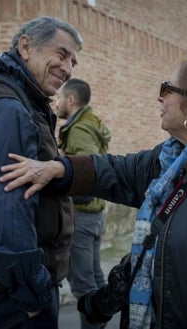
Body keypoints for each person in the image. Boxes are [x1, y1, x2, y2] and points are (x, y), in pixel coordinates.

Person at [0, 52, 187, 329]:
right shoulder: (171, 158)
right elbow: (120, 171)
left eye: (167, 89)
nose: (160, 97)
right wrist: (59, 169)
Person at [0, 16, 83, 328]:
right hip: (7, 299)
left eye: (73, 62)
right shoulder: (7, 107)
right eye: (61, 55)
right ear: (25, 46)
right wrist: (33, 295)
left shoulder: (18, 100)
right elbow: (1, 216)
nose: (68, 69)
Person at [56, 78, 111, 329]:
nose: (56, 103)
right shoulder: (89, 123)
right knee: (95, 279)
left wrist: (61, 168)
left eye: (59, 98)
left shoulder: (78, 129)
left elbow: (88, 173)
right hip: (94, 215)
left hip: (83, 215)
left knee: (83, 285)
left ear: (70, 100)